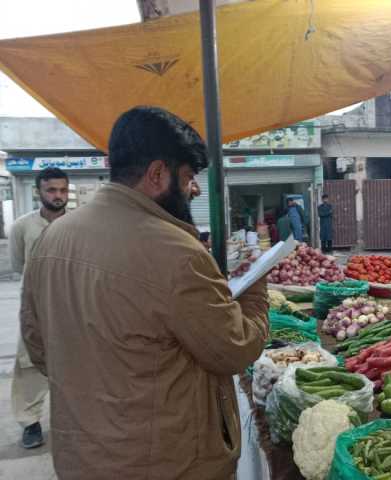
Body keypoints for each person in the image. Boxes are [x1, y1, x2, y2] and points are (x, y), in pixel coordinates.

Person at [20, 106, 269, 480]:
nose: (192, 190)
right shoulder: (177, 253)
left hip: (80, 457)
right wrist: (256, 287)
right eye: (186, 178)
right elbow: (234, 349)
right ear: (157, 174)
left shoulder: (53, 237)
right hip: (168, 464)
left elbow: (38, 346)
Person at [9, 167, 69, 449]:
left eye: (62, 190)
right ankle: (30, 422)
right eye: (51, 190)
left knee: (77, 361)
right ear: (39, 192)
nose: (58, 196)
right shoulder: (22, 226)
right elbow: (19, 264)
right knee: (29, 361)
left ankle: (75, 418)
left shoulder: (79, 224)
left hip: (72, 303)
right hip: (35, 304)